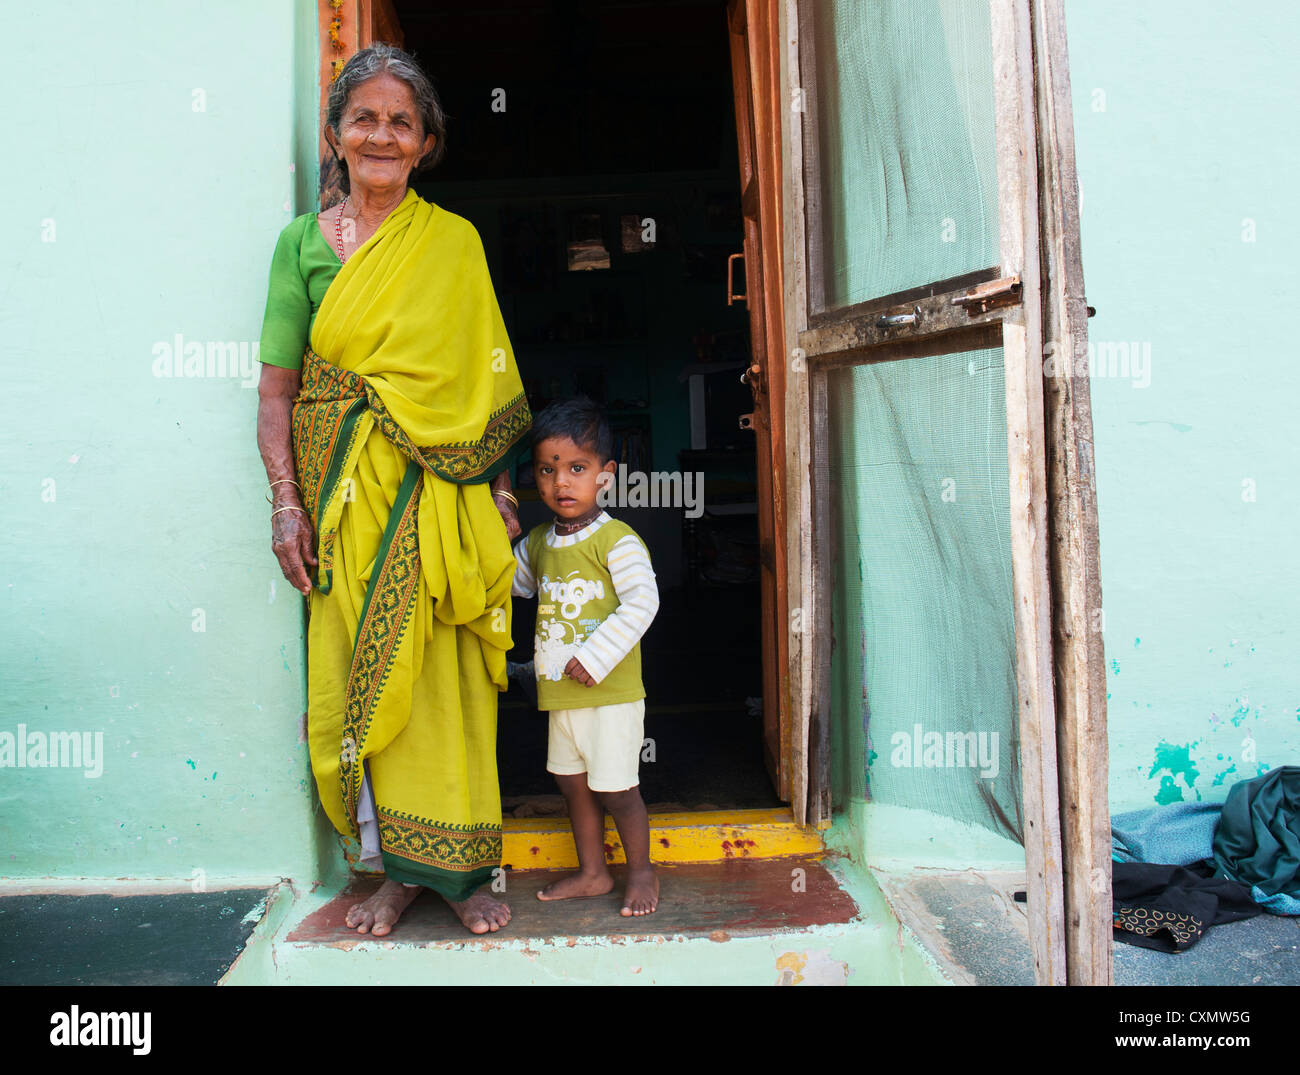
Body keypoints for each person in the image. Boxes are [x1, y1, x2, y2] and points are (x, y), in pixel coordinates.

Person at [255, 44, 531, 937]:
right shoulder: (300, 245)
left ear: (425, 144)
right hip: (339, 496)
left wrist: (488, 487)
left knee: (443, 670)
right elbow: (276, 392)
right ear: (335, 135)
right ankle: (388, 872)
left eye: (401, 121)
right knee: (359, 672)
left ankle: (456, 868)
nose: (381, 133)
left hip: (436, 495)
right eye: (364, 117)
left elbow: (480, 380)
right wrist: (286, 503)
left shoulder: (451, 243)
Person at [511, 399, 661, 916]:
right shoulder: (539, 542)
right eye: (548, 470)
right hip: (560, 696)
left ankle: (641, 872)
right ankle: (594, 874)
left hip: (610, 695)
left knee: (618, 790)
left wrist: (597, 656)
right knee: (572, 787)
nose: (561, 483)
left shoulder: (617, 540)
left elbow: (644, 601)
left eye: (577, 468)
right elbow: (514, 585)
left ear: (606, 476)